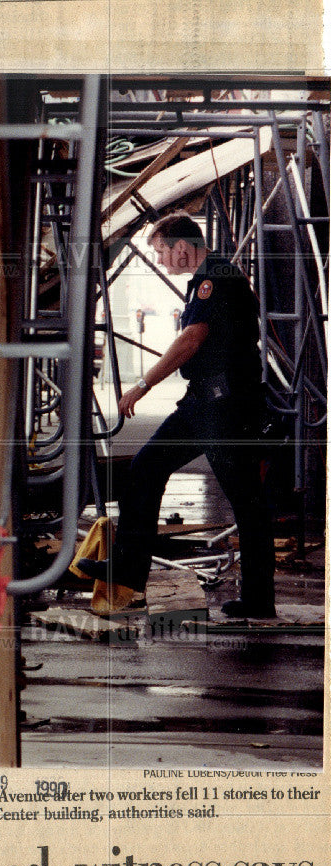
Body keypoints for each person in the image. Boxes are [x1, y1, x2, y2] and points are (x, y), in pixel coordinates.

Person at [77, 211, 275, 618]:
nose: (161, 260)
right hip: (203, 402)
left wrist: (144, 384)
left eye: (162, 251)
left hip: (224, 407)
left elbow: (191, 338)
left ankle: (259, 600)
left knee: (245, 500)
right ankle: (128, 569)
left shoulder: (214, 280)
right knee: (147, 466)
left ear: (182, 247)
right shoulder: (210, 277)